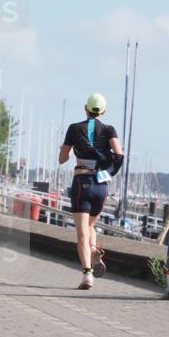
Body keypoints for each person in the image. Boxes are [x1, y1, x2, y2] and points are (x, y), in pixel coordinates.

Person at [58, 93, 124, 290]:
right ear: (103, 111)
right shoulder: (110, 129)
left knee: (81, 234)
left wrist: (69, 150)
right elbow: (119, 155)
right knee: (90, 227)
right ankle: (94, 254)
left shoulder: (75, 128)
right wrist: (107, 173)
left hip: (82, 183)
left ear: (85, 108)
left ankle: (87, 274)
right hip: (100, 185)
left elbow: (62, 159)